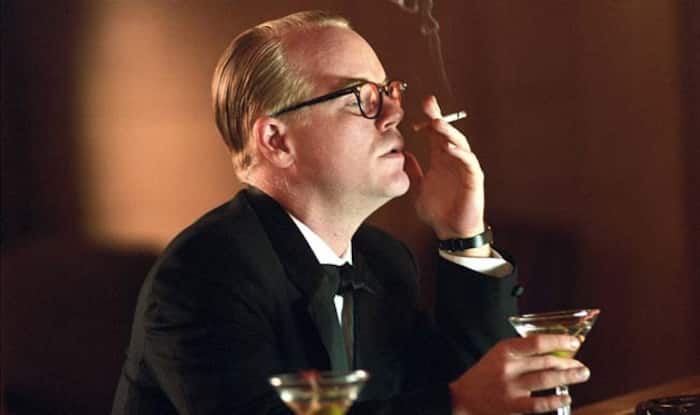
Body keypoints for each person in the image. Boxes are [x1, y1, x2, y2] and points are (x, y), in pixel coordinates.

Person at [111, 10, 590, 415]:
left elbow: (485, 393)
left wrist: (462, 236)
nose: (394, 114)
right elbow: (462, 399)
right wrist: (456, 403)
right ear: (276, 141)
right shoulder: (202, 274)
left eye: (389, 92)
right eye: (362, 97)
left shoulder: (383, 261)